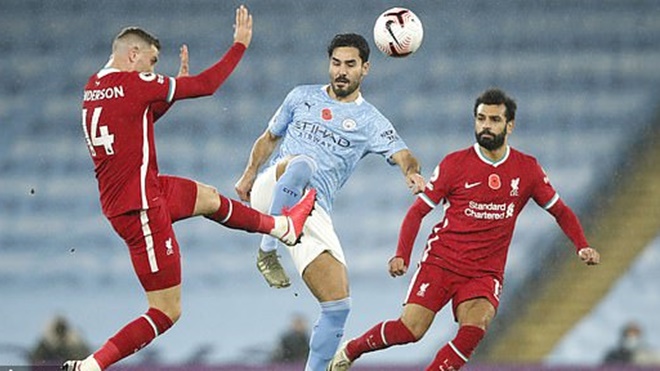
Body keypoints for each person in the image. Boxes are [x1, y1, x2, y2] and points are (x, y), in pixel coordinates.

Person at [64, 6, 316, 371]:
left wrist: (163, 94)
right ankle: (91, 366)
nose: (153, 72)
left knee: (209, 197)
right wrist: (239, 46)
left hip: (143, 189)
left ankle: (281, 227)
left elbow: (133, 122)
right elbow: (207, 86)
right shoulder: (137, 84)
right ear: (132, 54)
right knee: (167, 310)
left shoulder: (94, 87)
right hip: (139, 208)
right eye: (150, 63)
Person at [328, 88, 601, 371]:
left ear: (510, 126)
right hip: (442, 262)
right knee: (410, 330)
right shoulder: (455, 164)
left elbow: (560, 210)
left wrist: (581, 245)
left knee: (476, 327)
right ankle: (351, 350)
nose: (485, 125)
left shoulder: (527, 169)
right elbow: (417, 212)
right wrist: (402, 255)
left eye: (494, 120)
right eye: (481, 118)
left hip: (485, 272)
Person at [234, 33, 425, 371]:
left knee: (338, 306)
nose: (341, 71)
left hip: (311, 209)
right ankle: (267, 251)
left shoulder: (370, 121)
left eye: (350, 65)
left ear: (365, 68)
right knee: (302, 164)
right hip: (276, 186)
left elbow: (403, 154)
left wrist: (410, 172)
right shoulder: (301, 96)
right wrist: (249, 175)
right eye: (336, 63)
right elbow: (269, 138)